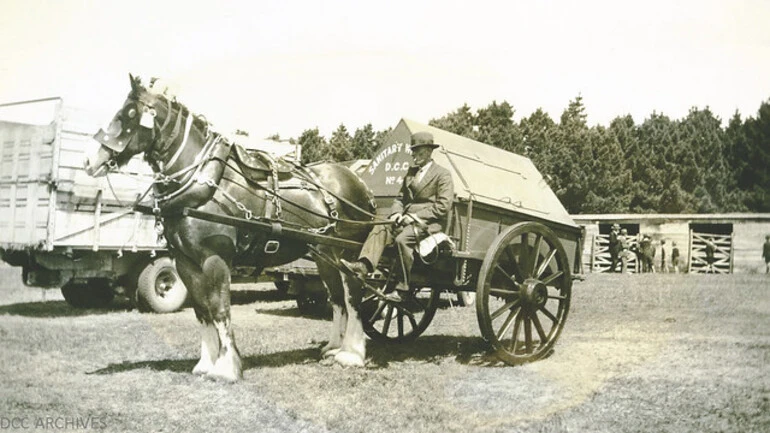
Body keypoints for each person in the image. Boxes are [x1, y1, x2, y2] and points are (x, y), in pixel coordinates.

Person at [341, 131, 454, 302]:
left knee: (403, 240)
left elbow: (443, 206)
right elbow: (400, 198)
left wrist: (415, 217)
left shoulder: (442, 174)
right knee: (381, 225)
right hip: (406, 220)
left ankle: (403, 288)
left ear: (429, 152)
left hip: (430, 224)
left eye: (419, 152)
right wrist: (395, 213)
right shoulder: (410, 173)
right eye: (413, 151)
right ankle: (363, 265)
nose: (414, 155)